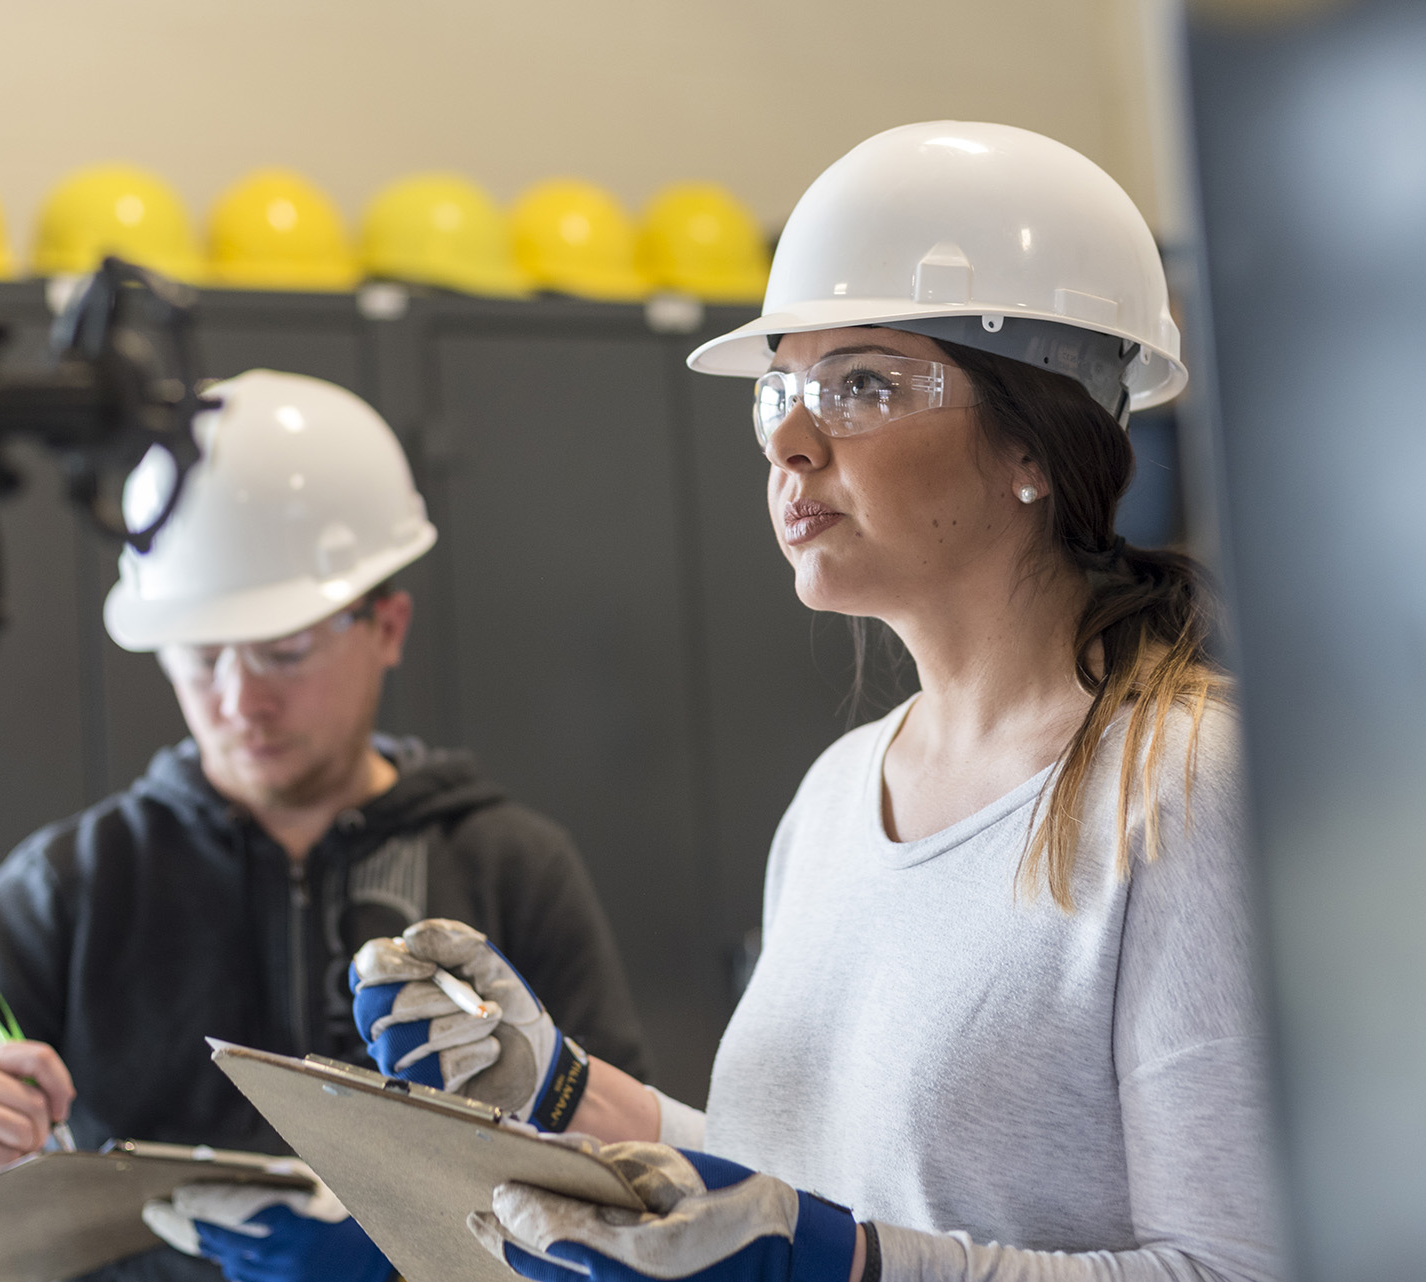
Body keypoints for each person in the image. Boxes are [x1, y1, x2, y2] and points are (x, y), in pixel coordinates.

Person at [346, 123, 1282, 1282]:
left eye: (864, 384)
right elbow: (796, 1188)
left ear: (1038, 441)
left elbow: (1242, 1267)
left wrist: (849, 1269)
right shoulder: (840, 793)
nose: (787, 437)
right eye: (781, 385)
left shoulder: (1190, 788)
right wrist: (572, 1098)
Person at [0, 369, 649, 1282]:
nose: (239, 702)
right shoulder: (77, 882)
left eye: (284, 652)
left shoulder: (509, 864)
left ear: (386, 626)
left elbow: (632, 1171)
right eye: (200, 659)